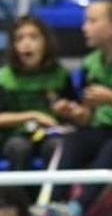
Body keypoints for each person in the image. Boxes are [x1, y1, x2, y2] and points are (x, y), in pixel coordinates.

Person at [50, 0, 112, 216]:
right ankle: (53, 202)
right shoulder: (89, 65)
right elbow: (87, 116)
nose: (85, 28)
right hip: (98, 127)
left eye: (93, 21)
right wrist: (73, 112)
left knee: (110, 150)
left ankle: (79, 208)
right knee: (72, 141)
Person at [0, 15, 73, 171]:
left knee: (58, 146)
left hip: (50, 135)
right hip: (14, 136)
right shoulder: (3, 78)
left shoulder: (60, 75)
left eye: (34, 37)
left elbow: (73, 115)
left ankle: (55, 194)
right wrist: (33, 115)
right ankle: (17, 196)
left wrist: (68, 110)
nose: (26, 44)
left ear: (45, 42)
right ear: (13, 46)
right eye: (19, 38)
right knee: (19, 148)